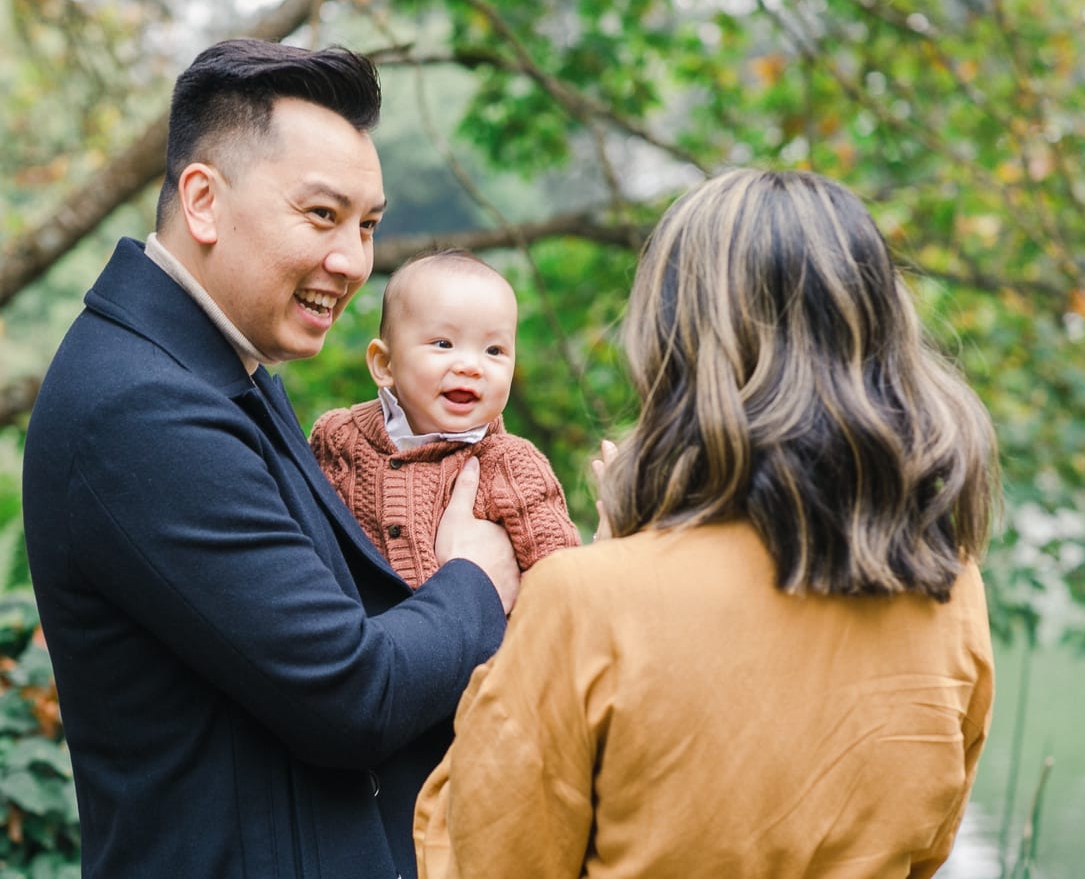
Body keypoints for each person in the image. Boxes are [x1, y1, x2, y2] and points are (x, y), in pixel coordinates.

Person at [22, 38, 519, 879]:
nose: (352, 262)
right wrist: (475, 577)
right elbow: (350, 694)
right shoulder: (143, 407)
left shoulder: (215, 365)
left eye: (367, 226)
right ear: (204, 201)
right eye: (322, 216)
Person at [413, 168, 999, 879]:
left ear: (677, 351)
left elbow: (478, 858)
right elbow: (925, 850)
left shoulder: (586, 601)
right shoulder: (952, 587)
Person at [309, 249, 582, 590]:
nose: (470, 365)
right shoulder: (337, 438)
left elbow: (560, 574)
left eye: (494, 350)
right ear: (384, 364)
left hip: (480, 640)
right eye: (444, 343)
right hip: (355, 636)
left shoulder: (512, 466)